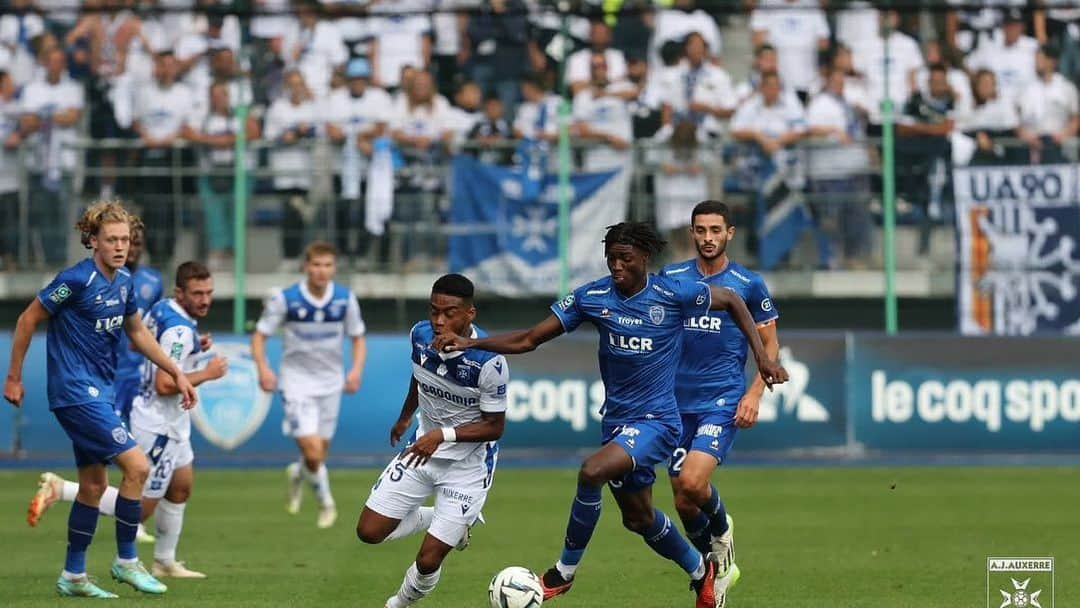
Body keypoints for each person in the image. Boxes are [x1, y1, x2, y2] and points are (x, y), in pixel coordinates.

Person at [432, 222, 789, 608]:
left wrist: (763, 357)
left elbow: (735, 302)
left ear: (644, 259)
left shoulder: (673, 292)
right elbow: (529, 338)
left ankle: (562, 574)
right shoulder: (593, 296)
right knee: (639, 518)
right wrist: (472, 343)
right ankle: (703, 573)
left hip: (658, 422)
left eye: (625, 258)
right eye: (611, 258)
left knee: (591, 472)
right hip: (617, 421)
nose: (616, 266)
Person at [7, 200, 195, 598]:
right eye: (111, 239)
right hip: (73, 392)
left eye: (125, 239)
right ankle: (127, 561)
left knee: (93, 487)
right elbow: (28, 319)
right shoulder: (75, 280)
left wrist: (176, 371)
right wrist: (13, 377)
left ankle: (73, 575)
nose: (120, 246)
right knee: (138, 467)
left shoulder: (124, 282)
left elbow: (138, 333)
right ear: (93, 241)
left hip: (101, 391)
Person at [27, 261, 228, 579]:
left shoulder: (165, 310)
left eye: (209, 292)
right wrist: (207, 372)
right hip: (160, 421)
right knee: (139, 509)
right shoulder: (178, 328)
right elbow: (164, 385)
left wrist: (191, 346)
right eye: (198, 293)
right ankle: (62, 489)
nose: (205, 299)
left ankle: (165, 561)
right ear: (180, 292)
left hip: (173, 420)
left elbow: (138, 341)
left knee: (181, 487)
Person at [356, 273, 509, 608]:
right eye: (433, 311)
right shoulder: (419, 335)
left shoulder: (490, 362)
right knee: (368, 532)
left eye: (449, 312)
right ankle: (443, 521)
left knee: (427, 560)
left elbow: (495, 427)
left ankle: (397, 604)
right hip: (422, 449)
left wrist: (442, 435)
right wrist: (405, 415)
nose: (439, 320)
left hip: (467, 466)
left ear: (470, 314)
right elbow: (419, 377)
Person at [659, 201, 782, 606]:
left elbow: (769, 343)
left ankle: (722, 531)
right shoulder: (672, 278)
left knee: (694, 482)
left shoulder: (748, 283)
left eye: (715, 230)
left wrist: (753, 394)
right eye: (700, 230)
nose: (707, 238)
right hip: (675, 403)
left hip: (721, 399)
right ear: (691, 234)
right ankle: (716, 565)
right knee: (681, 497)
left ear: (729, 233)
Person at [252, 241, 367, 529]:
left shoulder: (344, 299)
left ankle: (297, 472)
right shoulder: (286, 299)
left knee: (317, 456)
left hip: (330, 384)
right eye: (316, 265)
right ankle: (327, 504)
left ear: (334, 268)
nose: (321, 271)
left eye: (327, 265)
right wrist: (264, 369)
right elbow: (259, 336)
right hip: (296, 384)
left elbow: (357, 337)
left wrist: (355, 371)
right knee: (314, 453)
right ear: (306, 267)